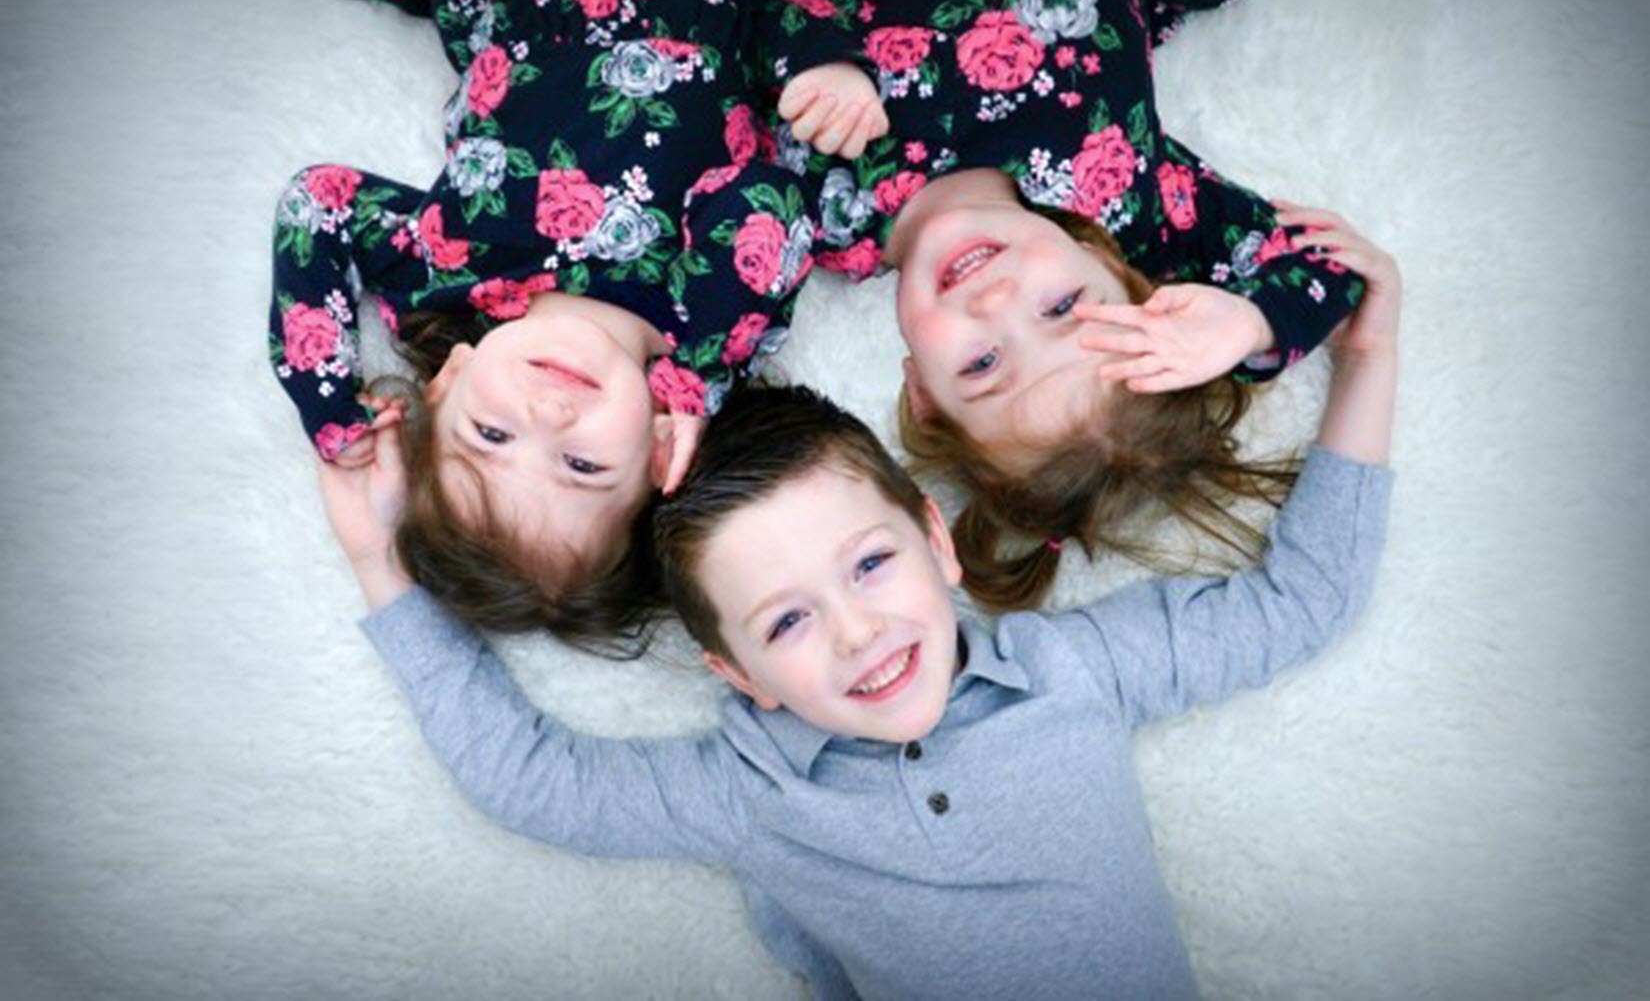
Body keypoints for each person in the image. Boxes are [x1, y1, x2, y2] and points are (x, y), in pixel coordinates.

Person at [319, 210, 1399, 998]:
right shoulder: (746, 790)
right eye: (784, 622)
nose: (857, 631)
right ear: (734, 672)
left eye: (872, 565)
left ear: (937, 540)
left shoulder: (1077, 670)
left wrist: (1368, 355)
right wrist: (380, 559)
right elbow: (531, 781)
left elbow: (1303, 598)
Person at [190, 0, 880, 649]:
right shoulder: (700, 316)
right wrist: (694, 377)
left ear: (449, 380)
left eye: (491, 432)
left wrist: (327, 406)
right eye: (581, 465)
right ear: (658, 455)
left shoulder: (444, 271)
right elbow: (768, 204)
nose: (547, 417)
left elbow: (318, 204)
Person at [769, 0, 1365, 609]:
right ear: (1111, 266)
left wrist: (815, 59)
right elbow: (1330, 272)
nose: (995, 302)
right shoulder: (1114, 194)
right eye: (1060, 308)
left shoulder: (823, 205)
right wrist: (1242, 326)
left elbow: (754, 25)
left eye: (983, 364)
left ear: (923, 396)